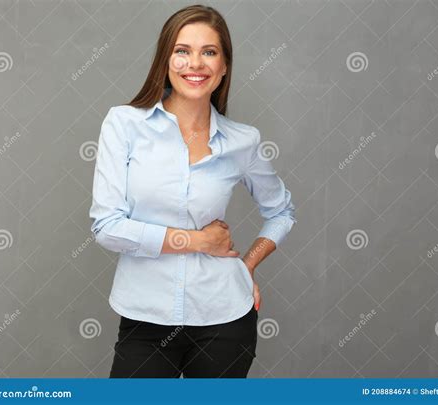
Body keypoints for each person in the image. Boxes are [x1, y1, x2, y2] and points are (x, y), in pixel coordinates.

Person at [89, 4, 297, 378]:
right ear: (166, 60)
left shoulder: (242, 141)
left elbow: (281, 212)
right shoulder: (123, 125)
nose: (195, 64)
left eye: (209, 52)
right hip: (145, 318)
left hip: (225, 320)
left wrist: (246, 266)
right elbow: (106, 227)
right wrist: (197, 241)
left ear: (224, 66)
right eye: (182, 51)